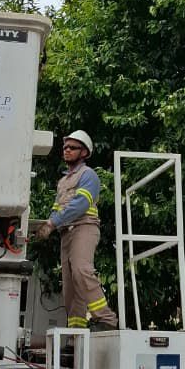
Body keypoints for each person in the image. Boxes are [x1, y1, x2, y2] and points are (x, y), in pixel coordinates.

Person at [36, 130, 118, 331]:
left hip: (84, 228)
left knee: (82, 271)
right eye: (65, 147)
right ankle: (76, 332)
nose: (66, 151)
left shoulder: (88, 175)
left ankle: (106, 319)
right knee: (71, 285)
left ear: (84, 152)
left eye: (72, 148)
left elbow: (80, 204)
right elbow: (57, 209)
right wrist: (42, 227)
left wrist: (51, 224)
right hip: (66, 233)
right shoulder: (63, 182)